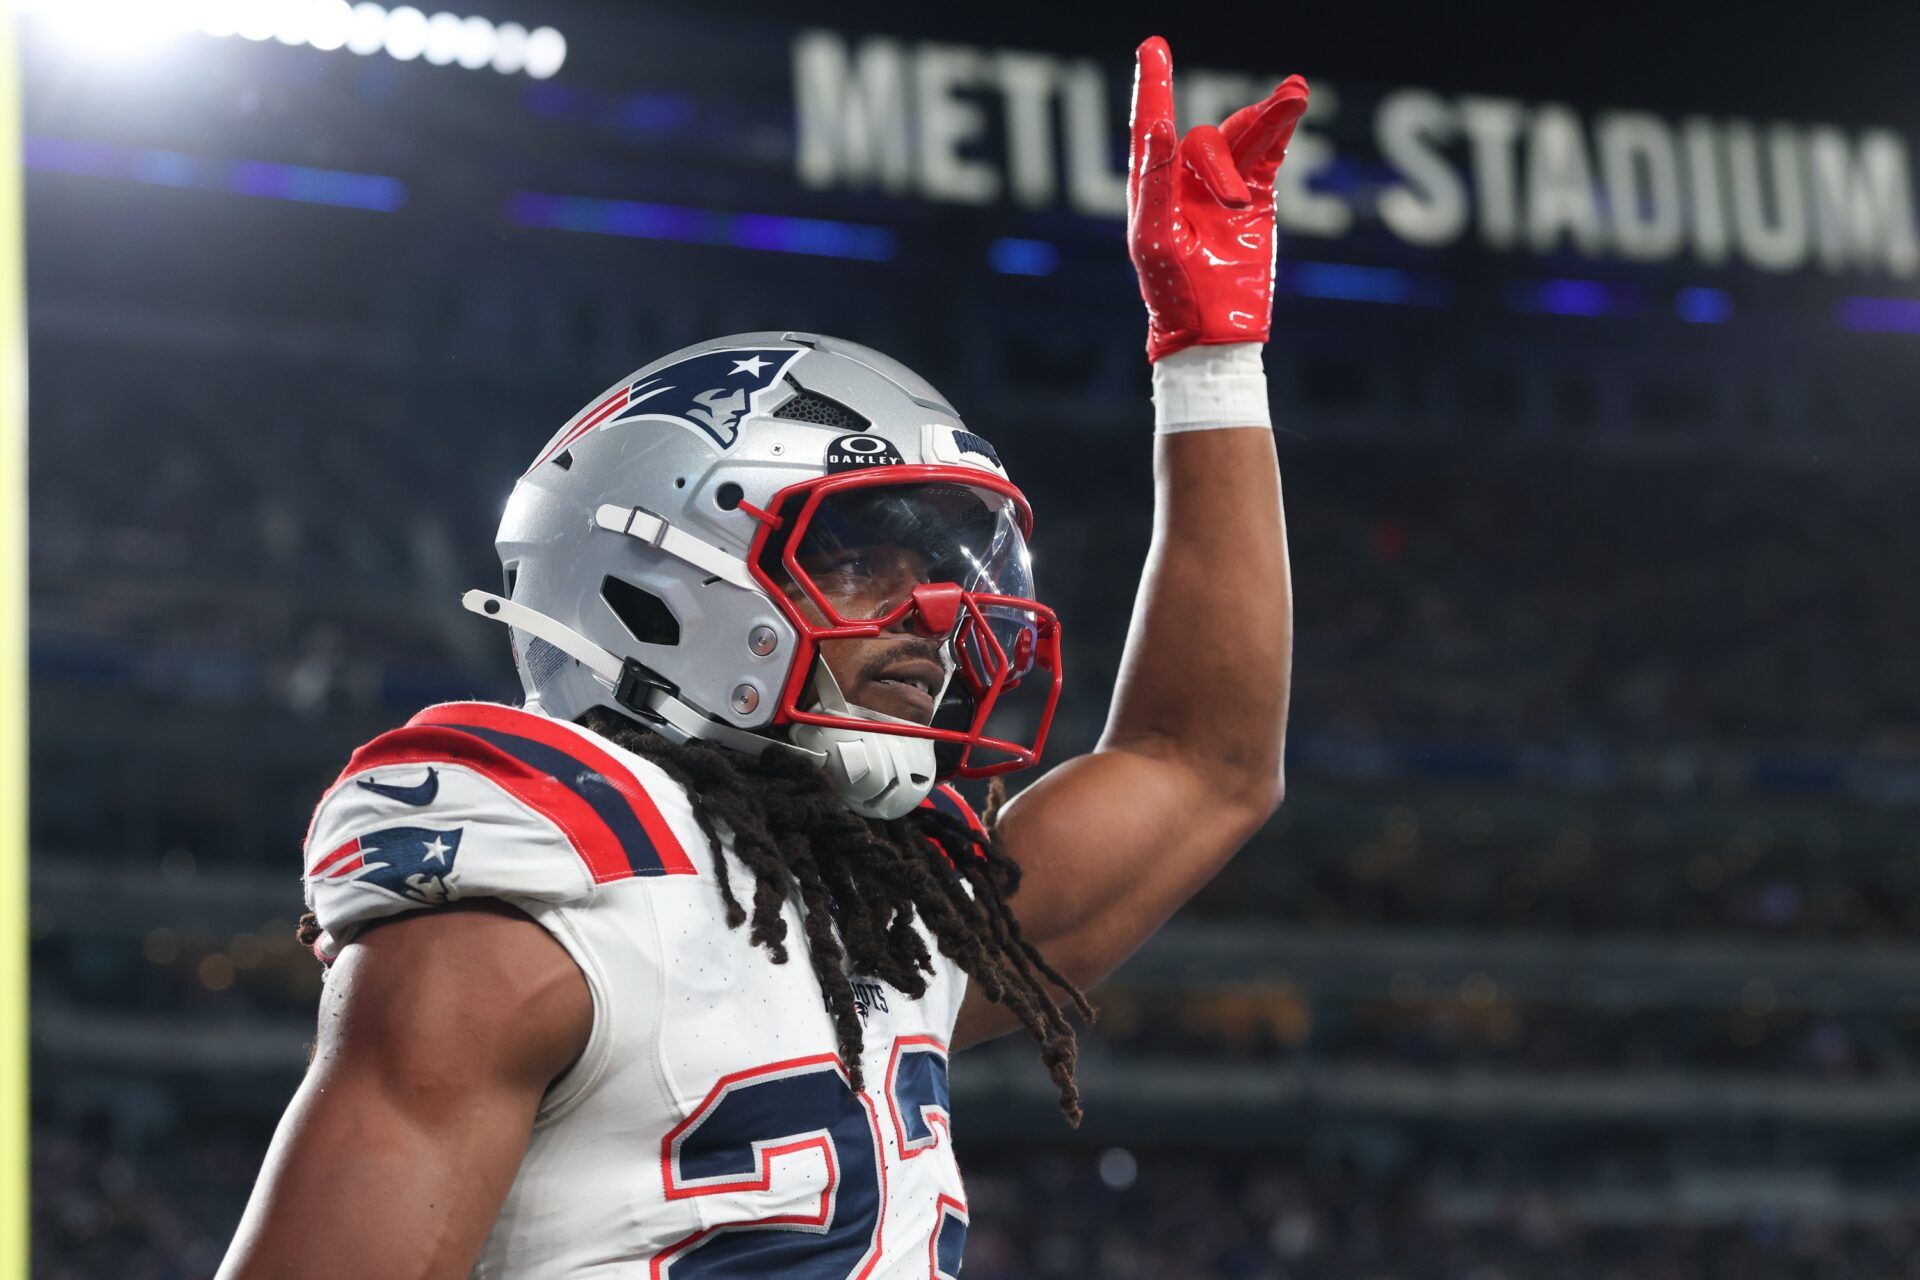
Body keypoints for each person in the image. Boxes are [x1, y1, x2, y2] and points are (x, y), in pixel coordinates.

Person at [218, 35, 1305, 1280]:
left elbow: (1206, 761)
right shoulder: (542, 909)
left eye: (947, 563)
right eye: (860, 554)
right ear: (655, 576)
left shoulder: (887, 908)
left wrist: (1208, 360)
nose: (936, 609)